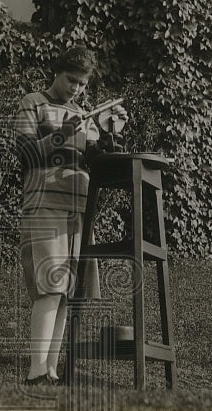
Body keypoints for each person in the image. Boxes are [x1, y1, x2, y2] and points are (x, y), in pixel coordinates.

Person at [13, 46, 127, 385]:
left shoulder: (83, 112)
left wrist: (110, 133)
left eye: (82, 84)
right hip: (44, 201)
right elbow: (27, 153)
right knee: (50, 286)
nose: (75, 89)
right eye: (70, 81)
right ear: (56, 72)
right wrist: (65, 131)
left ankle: (51, 369)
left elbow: (95, 158)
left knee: (67, 291)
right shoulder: (33, 102)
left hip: (78, 206)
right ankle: (36, 369)